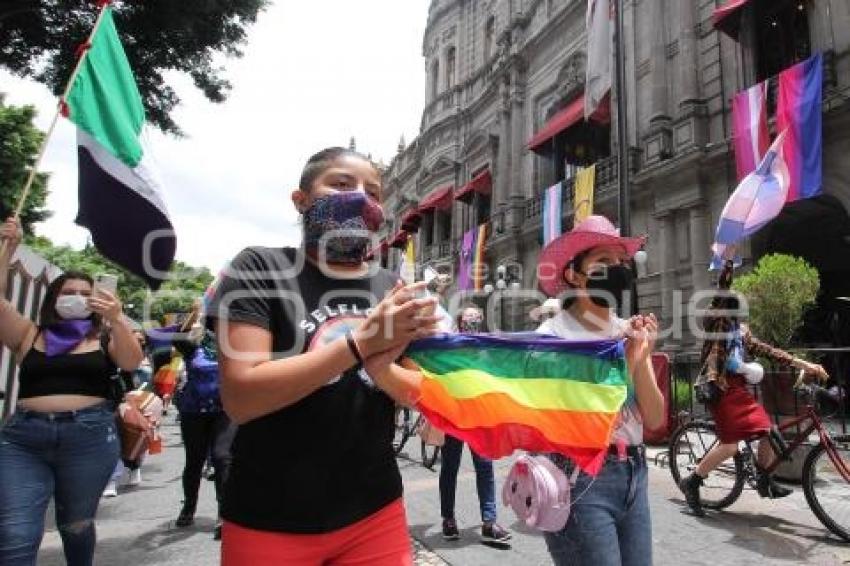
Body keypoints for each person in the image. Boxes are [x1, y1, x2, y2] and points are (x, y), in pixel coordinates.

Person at [207, 147, 440, 565]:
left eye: (373, 191)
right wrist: (360, 345)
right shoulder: (259, 268)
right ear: (301, 200)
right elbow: (242, 398)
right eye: (341, 184)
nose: (360, 198)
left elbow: (424, 395)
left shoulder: (391, 286)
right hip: (270, 518)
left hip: (375, 512)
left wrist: (385, 369)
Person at [0, 216, 144, 566]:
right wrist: (9, 249)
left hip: (89, 439)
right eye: (68, 293)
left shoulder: (104, 336)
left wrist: (117, 319)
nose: (77, 298)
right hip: (23, 440)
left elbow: (130, 361)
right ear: (53, 298)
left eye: (85, 294)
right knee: (15, 533)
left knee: (75, 526)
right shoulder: (28, 334)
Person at [535, 215, 665, 566]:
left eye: (621, 262)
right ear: (574, 274)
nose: (618, 270)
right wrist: (619, 363)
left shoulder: (628, 332)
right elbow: (558, 425)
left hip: (634, 474)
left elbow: (654, 418)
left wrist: (639, 360)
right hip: (580, 478)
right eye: (603, 262)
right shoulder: (553, 338)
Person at [678, 276, 827, 517]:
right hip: (720, 389)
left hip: (739, 389)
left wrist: (802, 363)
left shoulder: (742, 332)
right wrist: (728, 259)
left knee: (767, 430)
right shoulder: (717, 326)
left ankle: (764, 478)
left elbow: (768, 351)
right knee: (729, 446)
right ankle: (692, 482)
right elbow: (722, 291)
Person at [439, 306, 511, 545]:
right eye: (468, 318)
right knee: (450, 467)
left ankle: (489, 522)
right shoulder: (449, 345)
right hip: (454, 417)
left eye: (476, 318)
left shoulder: (485, 346)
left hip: (480, 418)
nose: (472, 321)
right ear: (460, 321)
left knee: (485, 467)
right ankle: (448, 519)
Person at [172, 300, 235, 541]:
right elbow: (177, 338)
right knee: (195, 461)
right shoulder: (193, 348)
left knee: (222, 458)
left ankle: (224, 514)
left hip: (224, 410)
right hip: (193, 411)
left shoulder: (233, 347)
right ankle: (189, 505)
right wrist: (194, 312)